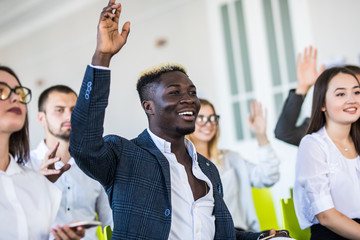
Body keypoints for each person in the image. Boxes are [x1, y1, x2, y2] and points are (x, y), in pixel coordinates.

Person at [68, 1, 280, 239]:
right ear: (148, 106)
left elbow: (220, 234)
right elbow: (83, 145)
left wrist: (262, 237)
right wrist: (102, 57)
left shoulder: (207, 168)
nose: (189, 99)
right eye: (174, 93)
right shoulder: (124, 155)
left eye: (192, 92)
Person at [0, 66, 85, 239]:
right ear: (41, 118)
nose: (16, 97)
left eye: (19, 92)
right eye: (1, 90)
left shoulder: (35, 182)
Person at [26, 85, 113, 240]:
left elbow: (110, 222)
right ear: (41, 118)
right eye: (59, 110)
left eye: (74, 109)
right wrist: (38, 183)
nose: (69, 116)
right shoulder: (23, 165)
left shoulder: (95, 164)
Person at [187, 99, 280, 231]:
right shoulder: (182, 164)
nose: (208, 124)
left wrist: (261, 136)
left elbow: (269, 177)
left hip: (240, 232)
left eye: (212, 118)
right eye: (201, 118)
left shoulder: (232, 159)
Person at [293, 67, 360, 239]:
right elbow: (326, 216)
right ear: (322, 104)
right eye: (340, 94)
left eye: (357, 92)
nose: (352, 100)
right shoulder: (312, 145)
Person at [274, 46, 325, 146]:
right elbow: (284, 133)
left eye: (357, 92)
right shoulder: (320, 128)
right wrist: (303, 87)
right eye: (341, 94)